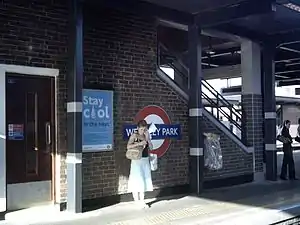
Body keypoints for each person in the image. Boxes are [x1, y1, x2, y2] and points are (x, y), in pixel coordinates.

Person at [127, 120, 153, 208]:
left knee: (144, 179)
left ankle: (142, 200)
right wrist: (140, 143)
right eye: (141, 129)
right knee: (137, 179)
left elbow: (152, 148)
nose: (143, 131)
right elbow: (128, 146)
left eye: (144, 129)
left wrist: (148, 139)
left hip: (145, 160)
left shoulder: (146, 136)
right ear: (138, 128)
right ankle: (136, 200)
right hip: (136, 160)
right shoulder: (134, 135)